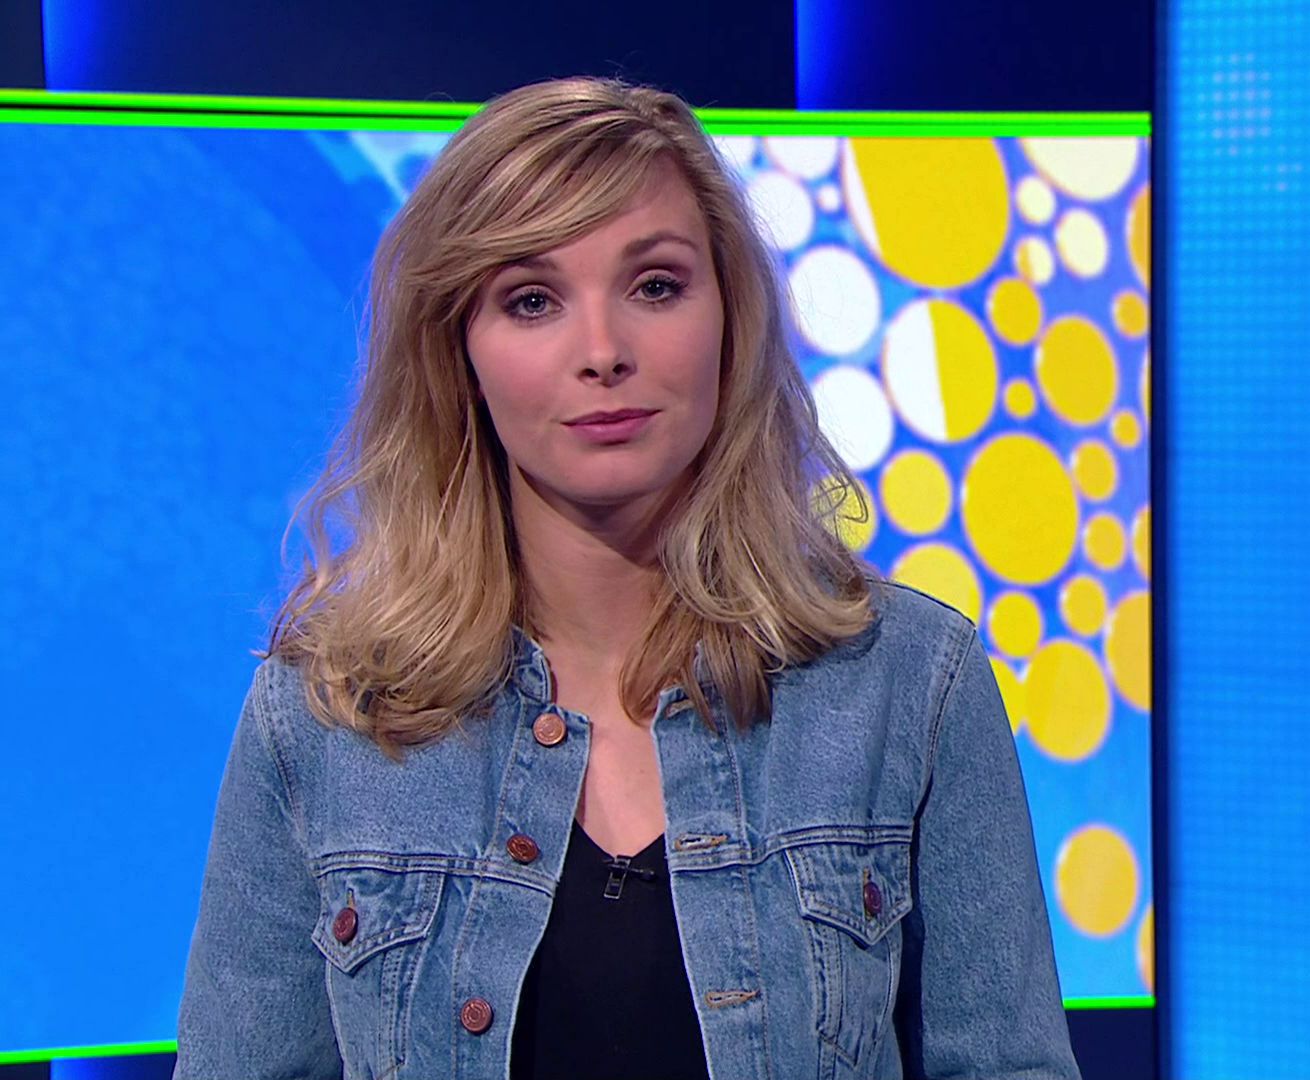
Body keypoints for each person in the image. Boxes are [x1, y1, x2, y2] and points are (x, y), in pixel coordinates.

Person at [172, 76, 1080, 1080]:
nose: (603, 352)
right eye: (531, 300)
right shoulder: (327, 712)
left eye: (655, 286)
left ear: (729, 319)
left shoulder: (907, 680)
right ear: (459, 351)